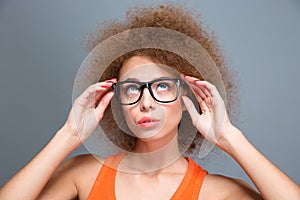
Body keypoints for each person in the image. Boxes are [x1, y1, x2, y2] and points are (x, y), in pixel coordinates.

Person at [0, 3, 299, 200]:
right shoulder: (83, 174)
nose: (146, 102)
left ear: (185, 97)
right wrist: (68, 136)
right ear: (118, 102)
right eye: (132, 89)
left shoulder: (217, 192)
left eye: (162, 86)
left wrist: (230, 138)